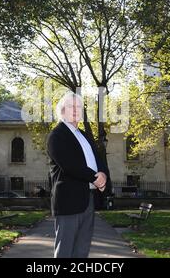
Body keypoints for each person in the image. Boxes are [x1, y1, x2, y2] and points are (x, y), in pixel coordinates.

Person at [46, 91, 110, 258]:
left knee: (82, 251)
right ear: (62, 111)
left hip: (87, 199)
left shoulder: (83, 136)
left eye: (79, 107)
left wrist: (102, 173)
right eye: (71, 106)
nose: (76, 110)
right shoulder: (56, 136)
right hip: (68, 201)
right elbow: (70, 165)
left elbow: (97, 159)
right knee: (65, 251)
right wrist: (96, 178)